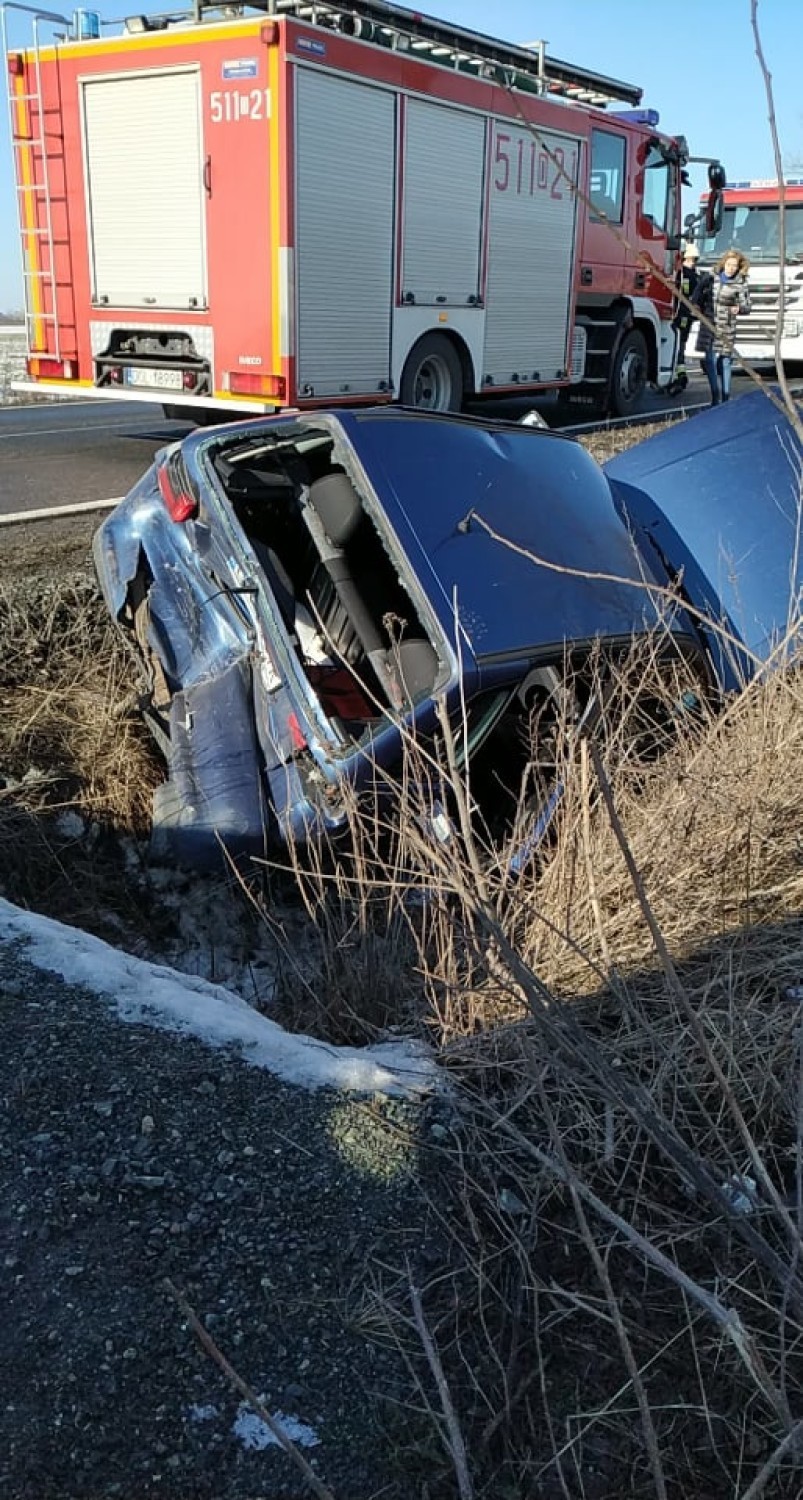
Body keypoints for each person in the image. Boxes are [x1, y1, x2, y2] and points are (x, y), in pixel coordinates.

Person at [692, 248, 751, 405]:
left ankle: (726, 398)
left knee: (725, 361)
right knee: (709, 359)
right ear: (724, 263)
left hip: (727, 325)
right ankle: (715, 395)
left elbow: (747, 306)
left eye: (735, 266)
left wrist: (740, 309)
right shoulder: (711, 277)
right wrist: (696, 305)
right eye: (729, 264)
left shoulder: (740, 283)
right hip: (710, 322)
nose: (731, 268)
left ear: (738, 267)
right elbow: (697, 292)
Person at [670, 243, 701, 385]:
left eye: (694, 260)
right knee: (679, 344)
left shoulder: (693, 275)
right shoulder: (683, 274)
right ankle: (678, 372)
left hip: (685, 315)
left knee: (681, 343)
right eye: (690, 260)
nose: (692, 263)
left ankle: (679, 372)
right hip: (680, 314)